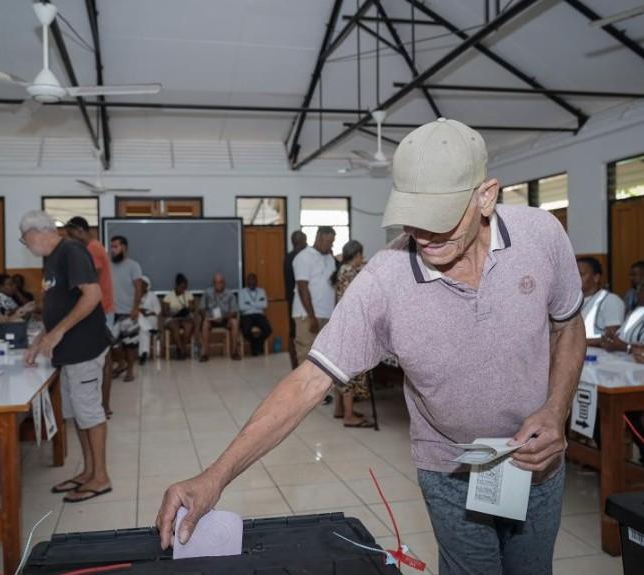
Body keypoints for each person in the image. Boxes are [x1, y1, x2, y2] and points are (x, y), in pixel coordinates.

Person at [157, 119, 586, 575]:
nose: (422, 234)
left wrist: (555, 410)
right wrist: (214, 476)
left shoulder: (542, 236)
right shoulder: (384, 280)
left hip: (536, 463)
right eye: (411, 214)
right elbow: (307, 383)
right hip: (450, 468)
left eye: (439, 216)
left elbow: (568, 327)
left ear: (486, 196)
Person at [19, 210, 113, 503]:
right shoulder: (52, 258)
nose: (24, 244)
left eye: (24, 238)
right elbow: (58, 304)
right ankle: (88, 472)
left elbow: (92, 295)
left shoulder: (71, 250)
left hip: (84, 347)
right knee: (78, 416)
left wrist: (57, 333)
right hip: (68, 352)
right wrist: (40, 339)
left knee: (90, 413)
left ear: (37, 232)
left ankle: (100, 476)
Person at [65, 216, 116, 413]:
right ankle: (103, 404)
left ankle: (104, 405)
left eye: (71, 235)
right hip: (102, 308)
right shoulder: (94, 247)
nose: (71, 241)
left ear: (80, 231)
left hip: (100, 310)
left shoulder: (93, 249)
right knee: (104, 358)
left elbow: (87, 276)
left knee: (103, 359)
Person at [330, 240, 373, 428]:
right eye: (361, 256)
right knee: (351, 371)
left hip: (343, 325)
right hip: (352, 327)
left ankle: (340, 409)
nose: (362, 259)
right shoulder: (351, 272)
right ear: (356, 255)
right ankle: (348, 415)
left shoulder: (343, 269)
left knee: (341, 369)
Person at [291, 226, 336, 364]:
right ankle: (303, 386)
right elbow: (302, 288)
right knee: (306, 356)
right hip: (307, 316)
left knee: (324, 357)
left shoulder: (330, 258)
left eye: (332, 242)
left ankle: (319, 386)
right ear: (318, 238)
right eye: (328, 241)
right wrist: (312, 317)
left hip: (326, 315)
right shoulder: (303, 257)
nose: (331, 245)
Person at [109, 235, 144, 382]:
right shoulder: (108, 265)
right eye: (111, 247)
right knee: (113, 343)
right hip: (111, 312)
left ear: (124, 247)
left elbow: (139, 288)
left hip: (128, 312)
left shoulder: (133, 265)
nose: (112, 250)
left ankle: (130, 370)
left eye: (115, 246)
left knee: (130, 344)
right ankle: (121, 363)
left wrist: (135, 308)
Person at [577, 256, 624, 346]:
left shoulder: (610, 300)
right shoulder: (574, 301)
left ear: (596, 277)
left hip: (601, 358)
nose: (575, 278)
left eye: (581, 274)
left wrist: (574, 343)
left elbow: (612, 340)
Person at [199, 273, 240, 362]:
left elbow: (234, 311)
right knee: (205, 323)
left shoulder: (230, 294)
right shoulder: (207, 293)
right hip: (211, 319)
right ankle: (205, 354)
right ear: (213, 283)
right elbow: (201, 309)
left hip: (225, 319)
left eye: (220, 282)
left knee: (234, 322)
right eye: (216, 282)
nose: (218, 285)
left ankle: (235, 352)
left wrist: (224, 317)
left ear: (224, 283)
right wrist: (206, 316)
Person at [283, 230, 307, 368]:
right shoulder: (297, 258)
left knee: (293, 333)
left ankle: (295, 366)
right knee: (295, 335)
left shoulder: (289, 256)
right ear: (299, 241)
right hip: (297, 301)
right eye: (305, 240)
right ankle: (296, 365)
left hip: (292, 300)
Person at [600, 284, 644, 351]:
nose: (638, 293)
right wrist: (610, 340)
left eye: (641, 289)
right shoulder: (636, 313)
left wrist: (626, 347)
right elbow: (619, 339)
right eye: (639, 289)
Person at [162, 273, 195, 360]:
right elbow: (164, 312)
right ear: (177, 285)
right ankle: (182, 350)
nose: (184, 289)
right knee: (175, 326)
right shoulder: (168, 296)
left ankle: (180, 349)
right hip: (172, 318)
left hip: (185, 318)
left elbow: (192, 308)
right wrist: (173, 312)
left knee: (189, 325)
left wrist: (187, 307)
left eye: (185, 287)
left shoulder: (188, 294)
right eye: (182, 287)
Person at [238, 273, 272, 356]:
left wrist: (250, 303)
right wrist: (257, 304)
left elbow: (265, 305)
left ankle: (255, 345)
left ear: (257, 281)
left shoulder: (261, 291)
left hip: (259, 315)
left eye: (253, 280)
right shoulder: (241, 292)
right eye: (250, 280)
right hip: (246, 315)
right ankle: (257, 347)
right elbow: (241, 307)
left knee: (268, 329)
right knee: (245, 331)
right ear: (247, 282)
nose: (252, 282)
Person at [137, 276, 161, 364]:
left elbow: (158, 311)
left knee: (142, 330)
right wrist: (140, 310)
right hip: (139, 320)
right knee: (139, 316)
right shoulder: (135, 295)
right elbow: (132, 310)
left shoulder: (152, 296)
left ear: (147, 285)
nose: (141, 286)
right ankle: (151, 331)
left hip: (151, 318)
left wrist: (147, 313)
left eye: (143, 284)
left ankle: (143, 354)